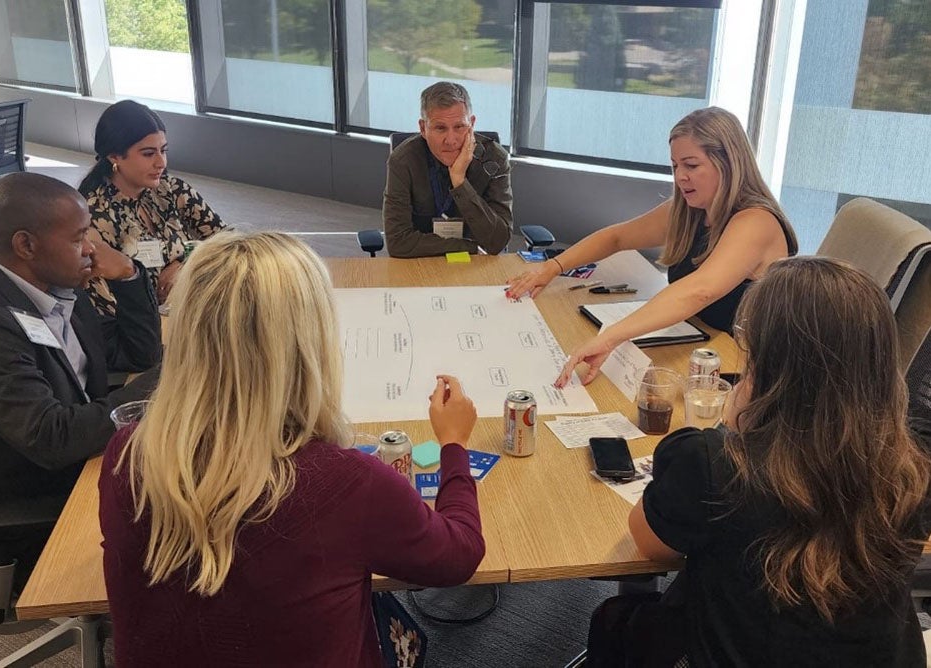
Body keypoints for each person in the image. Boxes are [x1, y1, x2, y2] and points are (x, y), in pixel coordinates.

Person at [99, 231, 485, 667]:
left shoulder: (127, 452)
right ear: (311, 343)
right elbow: (458, 556)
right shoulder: (348, 482)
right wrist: (454, 444)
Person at [588, 257, 931, 666]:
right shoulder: (910, 466)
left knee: (615, 621)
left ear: (767, 364)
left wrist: (728, 427)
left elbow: (648, 542)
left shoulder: (713, 464)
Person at [0, 172, 161, 586]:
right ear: (26, 245)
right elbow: (52, 437)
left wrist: (130, 277)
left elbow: (138, 354)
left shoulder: (60, 291)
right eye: (79, 237)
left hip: (88, 463)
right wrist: (161, 385)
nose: (91, 249)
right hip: (38, 506)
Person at [506, 107, 797, 387]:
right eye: (675, 166)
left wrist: (612, 336)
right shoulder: (690, 210)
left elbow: (700, 290)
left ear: (728, 163)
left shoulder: (756, 221)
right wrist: (553, 267)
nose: (680, 176)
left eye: (691, 165)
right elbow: (617, 237)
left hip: (747, 368)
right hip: (700, 345)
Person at [79, 99, 224, 315]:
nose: (161, 162)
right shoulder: (95, 218)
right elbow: (108, 309)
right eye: (148, 154)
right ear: (114, 156)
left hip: (194, 304)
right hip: (145, 328)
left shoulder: (171, 189)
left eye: (163, 150)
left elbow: (228, 240)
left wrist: (185, 263)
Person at [383, 81, 512, 258]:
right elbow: (398, 243)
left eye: (459, 127)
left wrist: (459, 181)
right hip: (425, 261)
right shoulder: (403, 161)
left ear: (472, 124)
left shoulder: (494, 159)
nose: (451, 140)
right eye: (440, 128)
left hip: (479, 265)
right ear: (423, 128)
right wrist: (467, 247)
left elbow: (498, 241)